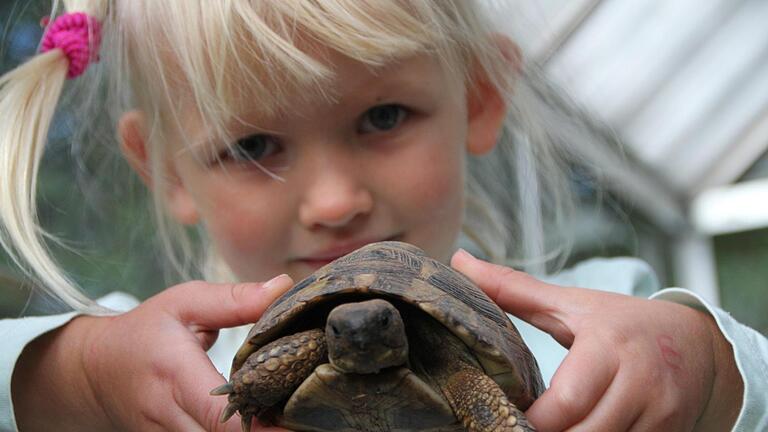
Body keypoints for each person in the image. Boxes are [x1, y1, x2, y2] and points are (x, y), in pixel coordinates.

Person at [0, 1, 765, 431]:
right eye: (255, 145)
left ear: (480, 97)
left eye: (384, 115)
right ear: (165, 171)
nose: (335, 202)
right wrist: (79, 377)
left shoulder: (593, 320)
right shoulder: (159, 362)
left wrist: (705, 367)